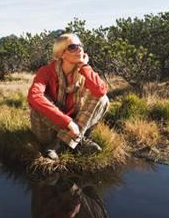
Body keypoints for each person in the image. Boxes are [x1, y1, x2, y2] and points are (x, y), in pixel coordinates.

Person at [28, 32, 109, 160]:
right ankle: (78, 141)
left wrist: (85, 66)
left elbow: (100, 91)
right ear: (62, 54)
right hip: (48, 129)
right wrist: (68, 123)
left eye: (80, 45)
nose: (80, 49)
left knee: (102, 99)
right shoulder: (46, 71)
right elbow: (34, 97)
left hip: (74, 128)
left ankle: (58, 145)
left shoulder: (84, 71)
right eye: (73, 47)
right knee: (42, 99)